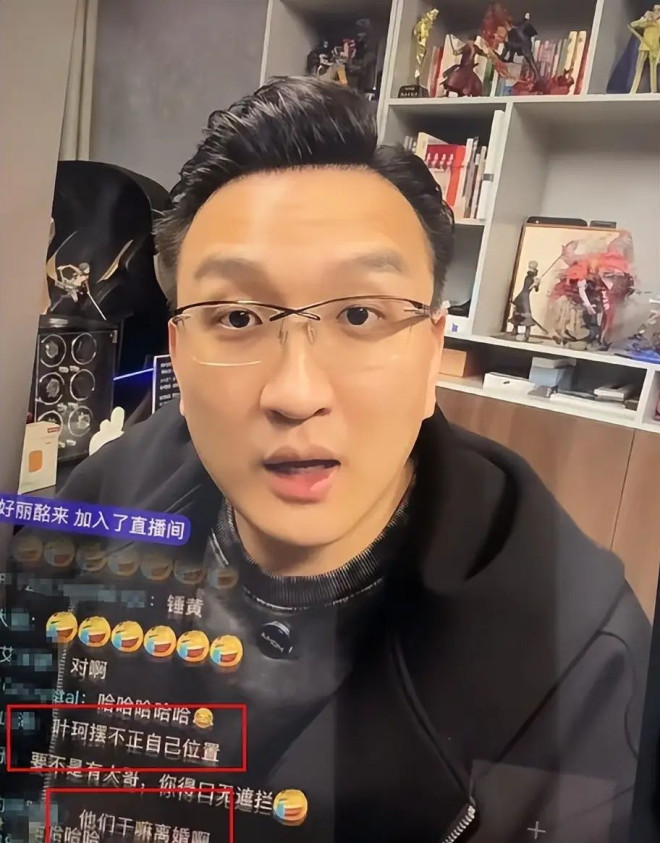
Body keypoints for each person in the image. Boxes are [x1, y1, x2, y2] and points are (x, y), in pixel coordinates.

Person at [14, 77, 650, 842]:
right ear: (178, 350)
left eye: (358, 313)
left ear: (432, 352)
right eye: (238, 316)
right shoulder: (103, 503)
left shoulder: (577, 659)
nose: (296, 393)